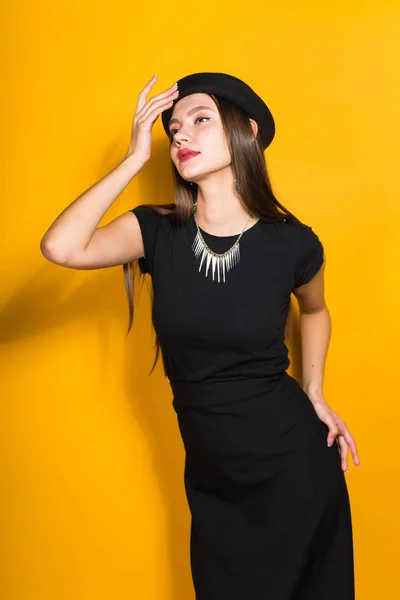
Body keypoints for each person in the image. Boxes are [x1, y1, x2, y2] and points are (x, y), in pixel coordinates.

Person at [40, 71, 360, 599]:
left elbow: (317, 311)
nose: (180, 135)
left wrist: (316, 392)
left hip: (294, 470)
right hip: (214, 483)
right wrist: (133, 159)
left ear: (247, 131)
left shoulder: (294, 243)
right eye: (173, 128)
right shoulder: (154, 231)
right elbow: (62, 248)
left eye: (199, 120)